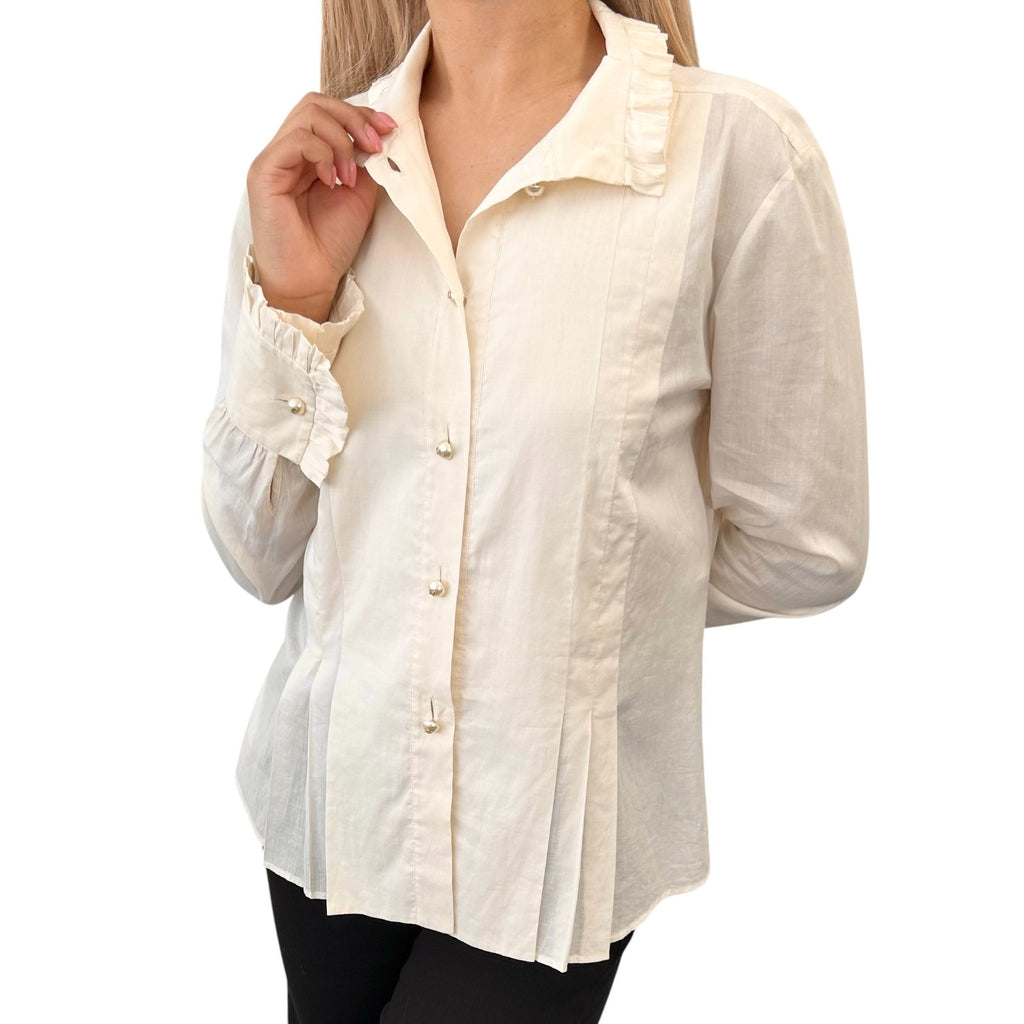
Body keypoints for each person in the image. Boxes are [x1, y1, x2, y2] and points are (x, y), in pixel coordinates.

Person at [200, 0, 869, 1020]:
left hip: (546, 832)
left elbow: (805, 543)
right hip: (333, 810)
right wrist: (295, 298)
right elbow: (258, 554)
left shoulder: (735, 153)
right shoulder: (317, 170)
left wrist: (580, 611)